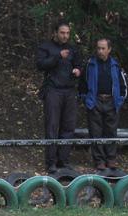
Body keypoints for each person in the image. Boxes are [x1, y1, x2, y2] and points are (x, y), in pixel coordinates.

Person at [36, 19, 82, 174]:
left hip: (69, 91)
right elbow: (40, 65)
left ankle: (64, 160)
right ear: (55, 33)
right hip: (53, 90)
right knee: (52, 126)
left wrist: (77, 70)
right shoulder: (46, 47)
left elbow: (78, 64)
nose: (65, 36)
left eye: (68, 33)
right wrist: (57, 57)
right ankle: (51, 162)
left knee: (68, 126)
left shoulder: (72, 48)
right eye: (62, 33)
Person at [79, 38, 127, 171]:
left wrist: (120, 100)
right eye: (98, 48)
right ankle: (99, 160)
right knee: (96, 132)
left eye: (103, 48)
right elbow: (82, 84)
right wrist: (86, 100)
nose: (100, 51)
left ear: (109, 49)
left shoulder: (115, 65)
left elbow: (123, 85)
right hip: (95, 101)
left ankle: (111, 159)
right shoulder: (90, 64)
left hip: (112, 101)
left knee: (111, 131)